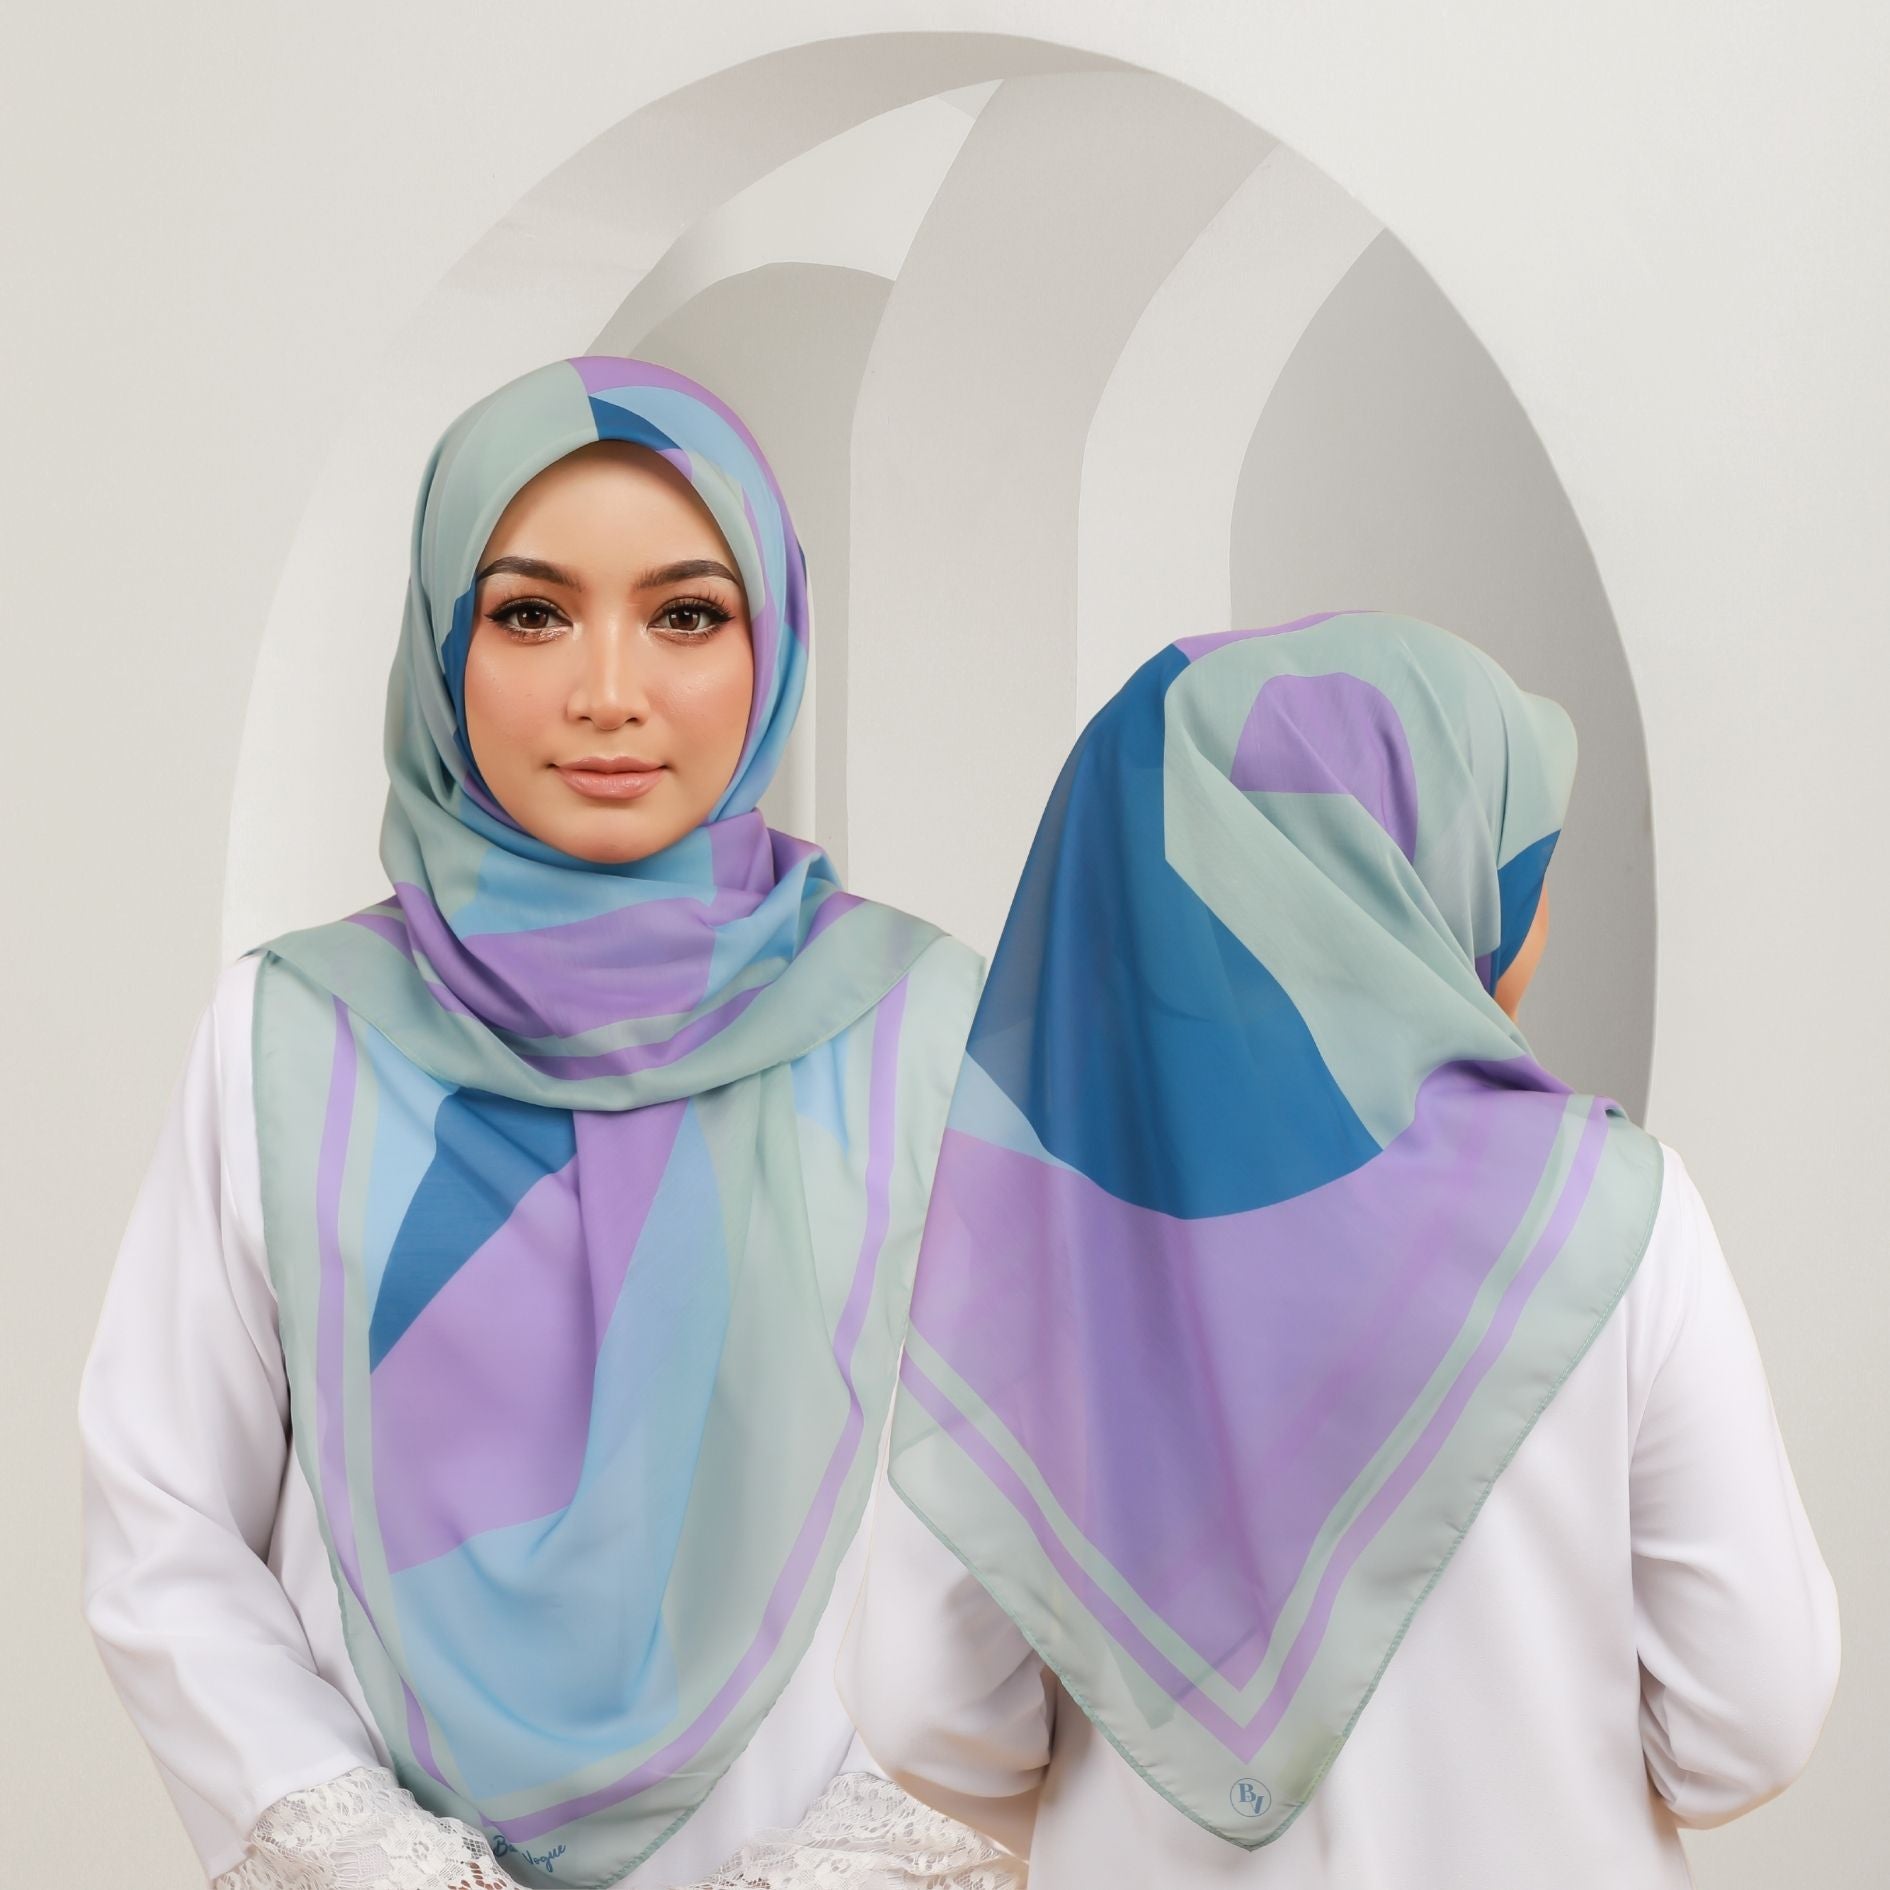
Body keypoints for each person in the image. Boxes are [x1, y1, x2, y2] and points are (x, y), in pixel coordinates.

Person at [78, 356, 1020, 1890]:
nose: (608, 691)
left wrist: (851, 1856)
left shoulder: (921, 1025)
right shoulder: (292, 1034)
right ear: (443, 638)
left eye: (685, 614)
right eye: (531, 614)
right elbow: (162, 1511)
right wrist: (374, 1856)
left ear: (773, 641)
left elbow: (1021, 1512)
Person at [836, 610, 1841, 1888]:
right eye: (1517, 857)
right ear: (1398, 874)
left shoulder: (1045, 1237)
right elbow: (1749, 1722)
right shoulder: (1618, 1207)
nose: (1533, 915)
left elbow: (923, 1702)